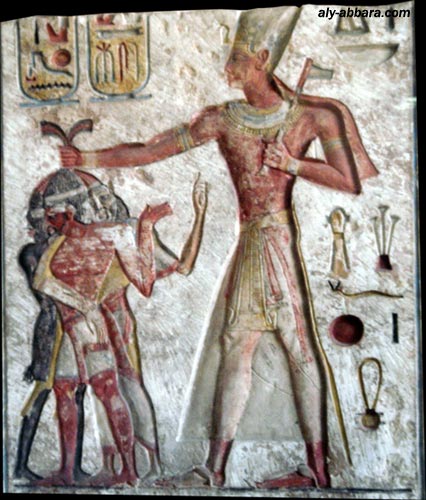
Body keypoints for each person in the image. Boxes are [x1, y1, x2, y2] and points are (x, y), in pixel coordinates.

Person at [59, 6, 379, 489]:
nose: (227, 68)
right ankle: (223, 468)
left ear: (263, 59)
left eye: (238, 59)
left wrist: (291, 164)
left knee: (292, 346)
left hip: (273, 236)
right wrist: (87, 156)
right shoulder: (224, 119)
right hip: (254, 238)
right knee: (240, 345)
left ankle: (306, 470)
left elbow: (347, 180)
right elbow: (152, 149)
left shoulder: (313, 117)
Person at [31, 169, 207, 486]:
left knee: (118, 387)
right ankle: (86, 467)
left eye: (53, 216)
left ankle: (139, 466)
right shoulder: (61, 244)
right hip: (79, 322)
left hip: (107, 322)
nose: (49, 223)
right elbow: (44, 280)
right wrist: (82, 305)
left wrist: (165, 223)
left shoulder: (119, 232)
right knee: (70, 389)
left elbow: (154, 278)